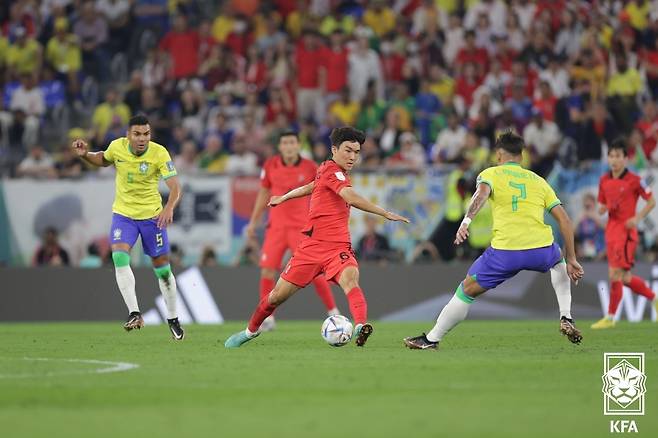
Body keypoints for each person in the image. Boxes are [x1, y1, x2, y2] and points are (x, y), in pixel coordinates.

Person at [226, 127, 410, 348]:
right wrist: (384, 212)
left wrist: (285, 196)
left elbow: (314, 186)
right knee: (275, 297)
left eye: (357, 152)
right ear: (334, 149)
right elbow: (347, 196)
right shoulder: (331, 170)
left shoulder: (330, 170)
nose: (353, 157)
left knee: (351, 280)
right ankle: (249, 332)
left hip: (338, 247)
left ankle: (361, 326)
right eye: (348, 150)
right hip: (311, 248)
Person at [404, 131, 585, 350]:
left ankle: (431, 339)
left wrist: (466, 221)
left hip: (506, 252)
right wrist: (572, 257)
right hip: (541, 248)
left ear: (499, 154)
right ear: (521, 155)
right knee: (559, 263)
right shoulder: (539, 181)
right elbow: (565, 220)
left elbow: (480, 195)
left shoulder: (491, 173)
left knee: (466, 290)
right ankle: (566, 316)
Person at [72, 114, 185, 340]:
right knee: (119, 257)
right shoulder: (117, 147)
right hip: (124, 216)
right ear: (128, 135)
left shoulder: (159, 153)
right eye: (137, 134)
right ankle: (135, 313)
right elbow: (102, 159)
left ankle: (172, 318)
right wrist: (85, 155)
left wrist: (169, 207)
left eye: (146, 134)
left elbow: (174, 187)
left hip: (153, 218)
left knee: (163, 271)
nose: (142, 138)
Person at [245, 131, 340, 331]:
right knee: (268, 270)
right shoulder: (270, 165)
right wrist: (253, 222)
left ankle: (333, 312)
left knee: (314, 272)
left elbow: (323, 192)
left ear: (298, 146)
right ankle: (268, 319)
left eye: (292, 142)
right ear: (280, 146)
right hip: (276, 228)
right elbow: (263, 194)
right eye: (285, 142)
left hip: (302, 228)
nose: (288, 146)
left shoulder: (311, 167)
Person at [591, 138, 658, 329]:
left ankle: (610, 317)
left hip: (626, 232)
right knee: (624, 278)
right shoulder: (603, 180)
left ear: (625, 159)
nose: (614, 160)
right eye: (611, 156)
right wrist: (603, 209)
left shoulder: (635, 180)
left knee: (616, 274)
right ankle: (654, 298)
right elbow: (601, 205)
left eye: (618, 156)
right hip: (611, 231)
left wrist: (637, 218)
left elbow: (651, 202)